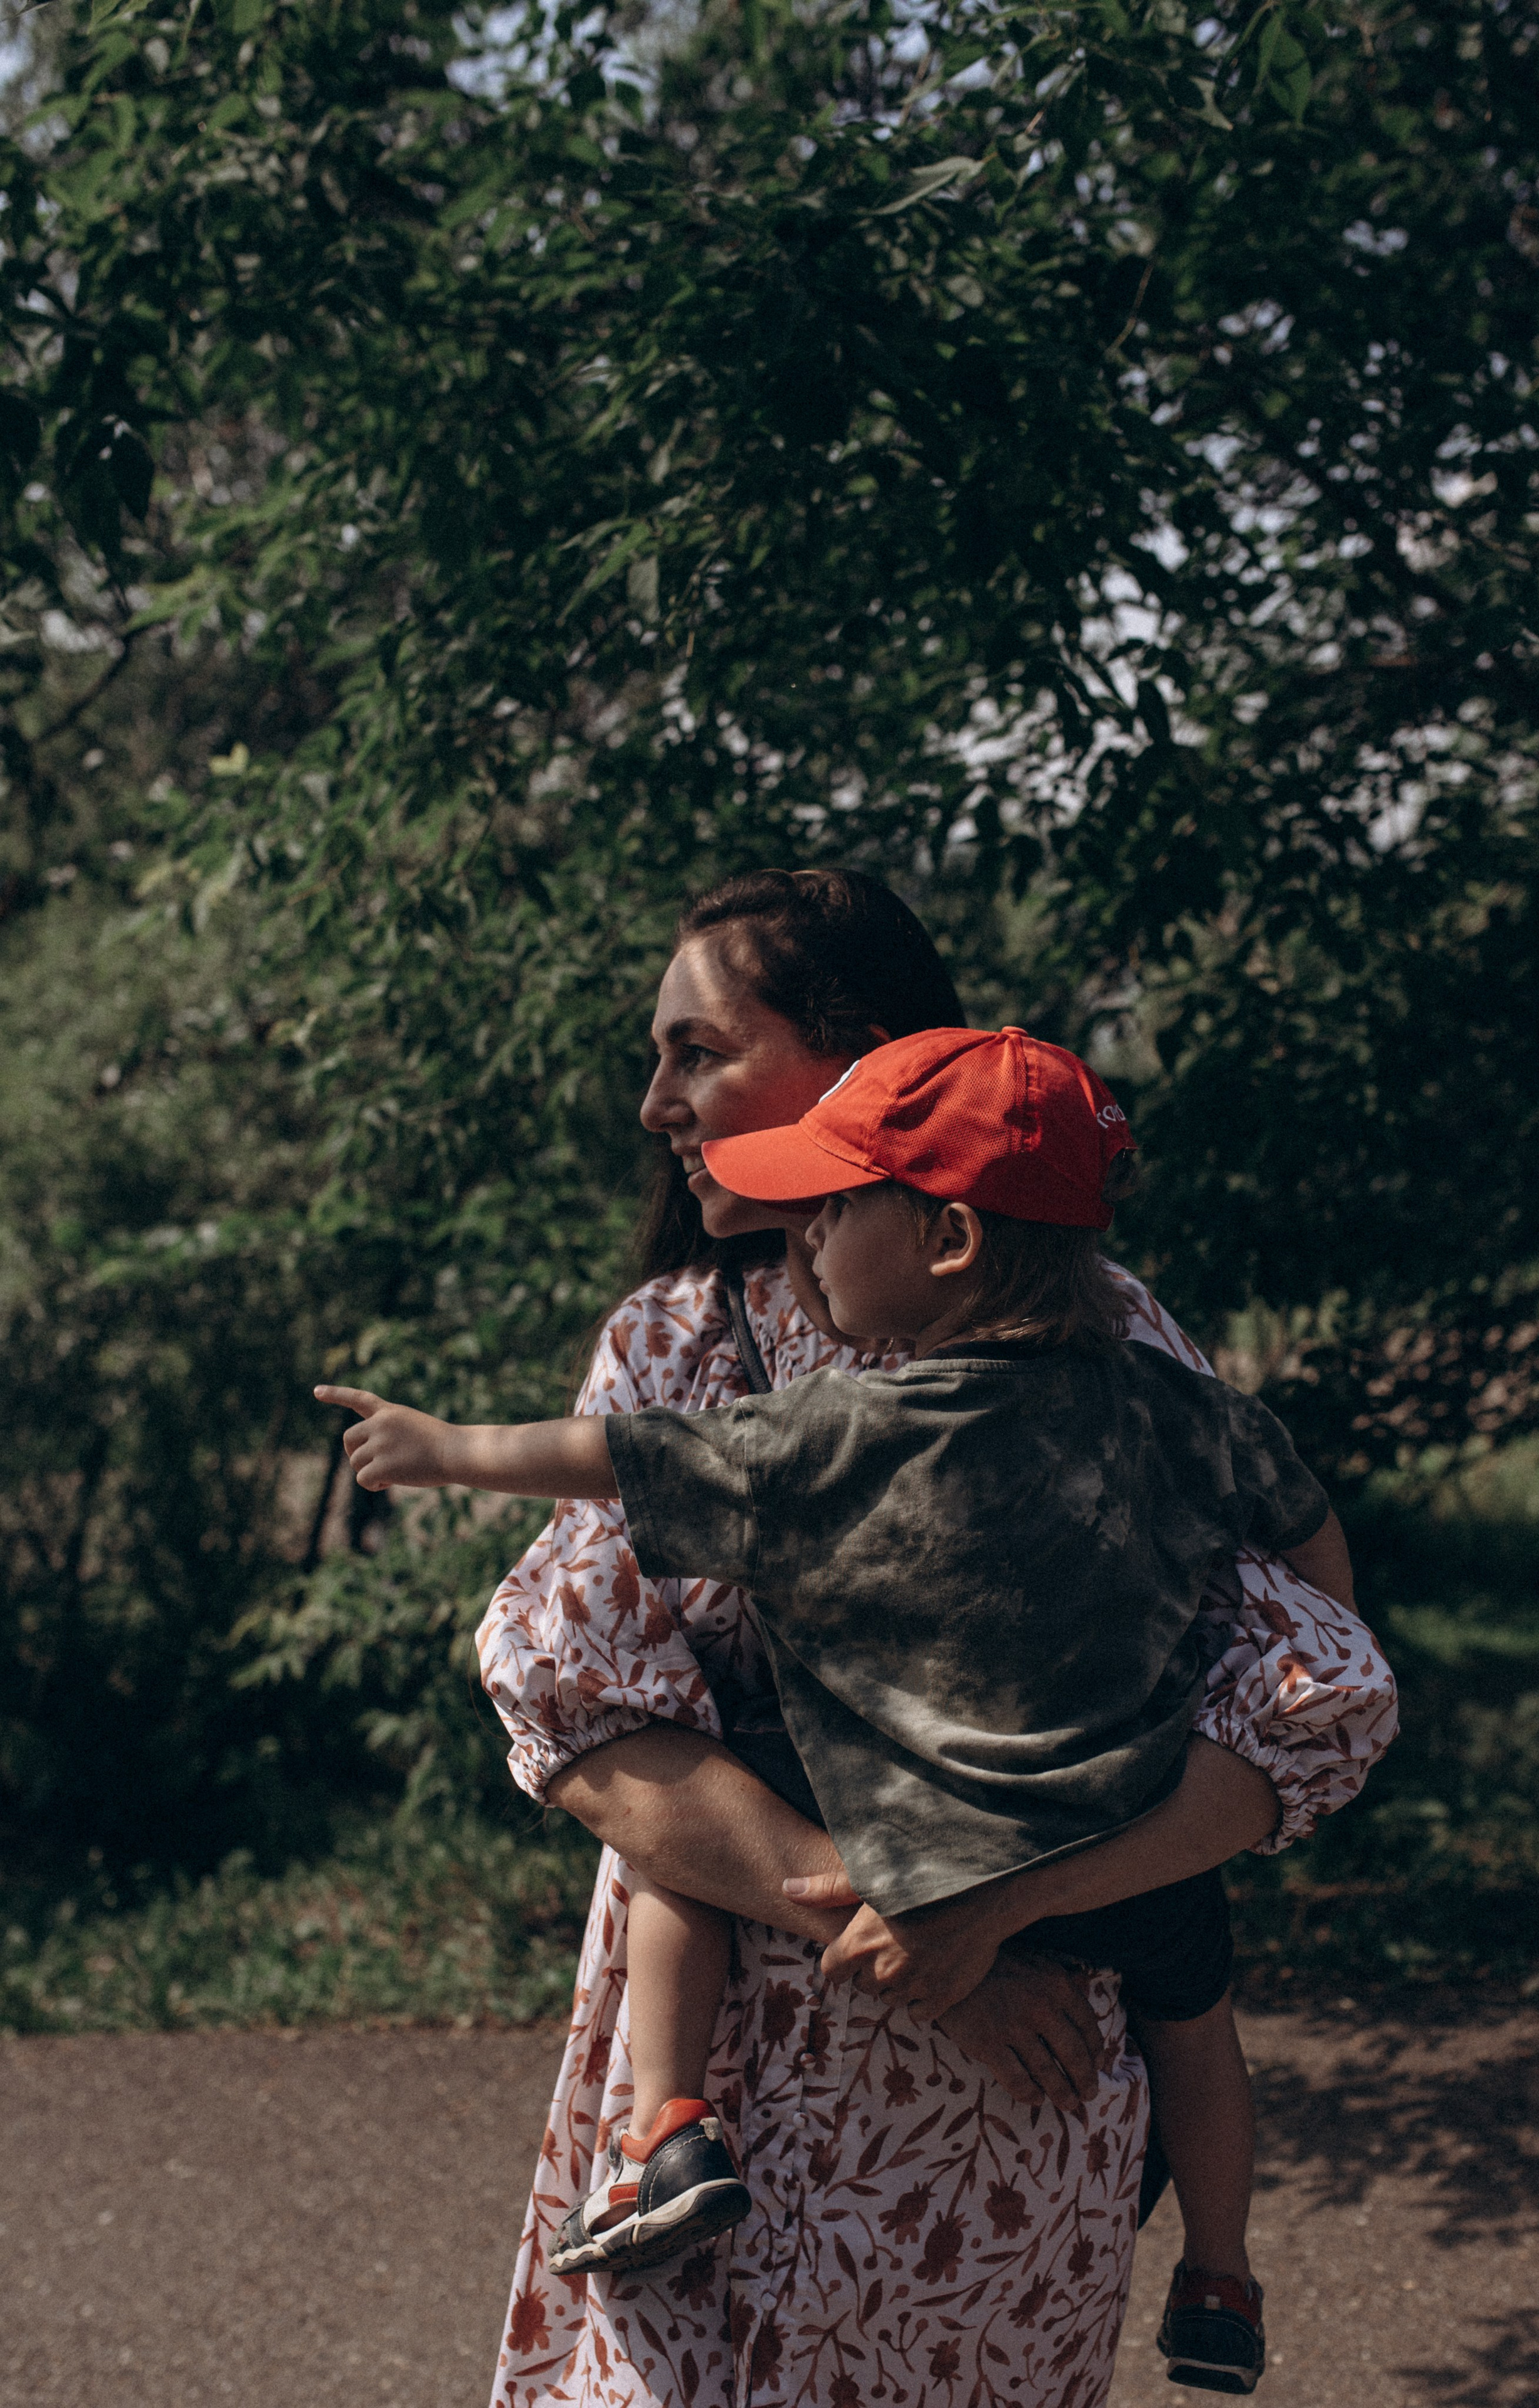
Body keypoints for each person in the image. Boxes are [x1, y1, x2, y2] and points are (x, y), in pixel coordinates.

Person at [383, 870, 1395, 2408]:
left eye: (698, 1051)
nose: (654, 1100)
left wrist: (1005, 1907)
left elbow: (1311, 1692)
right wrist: (919, 1935)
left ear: (861, 1064)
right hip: (712, 2116)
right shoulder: (674, 1343)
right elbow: (579, 1707)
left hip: (1001, 2135)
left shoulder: (1100, 1346)